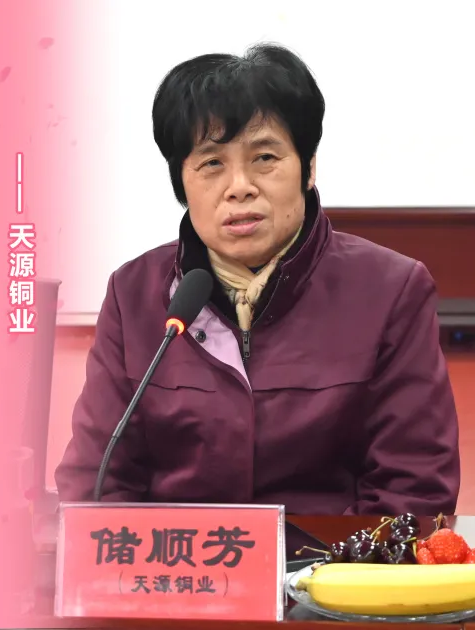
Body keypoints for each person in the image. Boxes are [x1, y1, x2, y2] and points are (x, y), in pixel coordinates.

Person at [54, 43, 460, 516]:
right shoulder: (133, 295)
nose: (240, 187)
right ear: (181, 183)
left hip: (326, 562)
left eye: (265, 158)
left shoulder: (390, 290)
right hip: (176, 560)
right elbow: (97, 484)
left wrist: (322, 565)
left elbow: (412, 490)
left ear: (308, 167)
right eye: (211, 164)